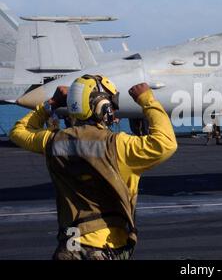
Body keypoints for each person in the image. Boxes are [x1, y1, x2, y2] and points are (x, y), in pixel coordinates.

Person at [9, 75, 178, 260]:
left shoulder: (53, 141)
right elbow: (166, 143)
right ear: (102, 106)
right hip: (105, 247)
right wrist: (147, 100)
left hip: (68, 248)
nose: (113, 110)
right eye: (111, 104)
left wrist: (52, 103)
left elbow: (18, 132)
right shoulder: (118, 146)